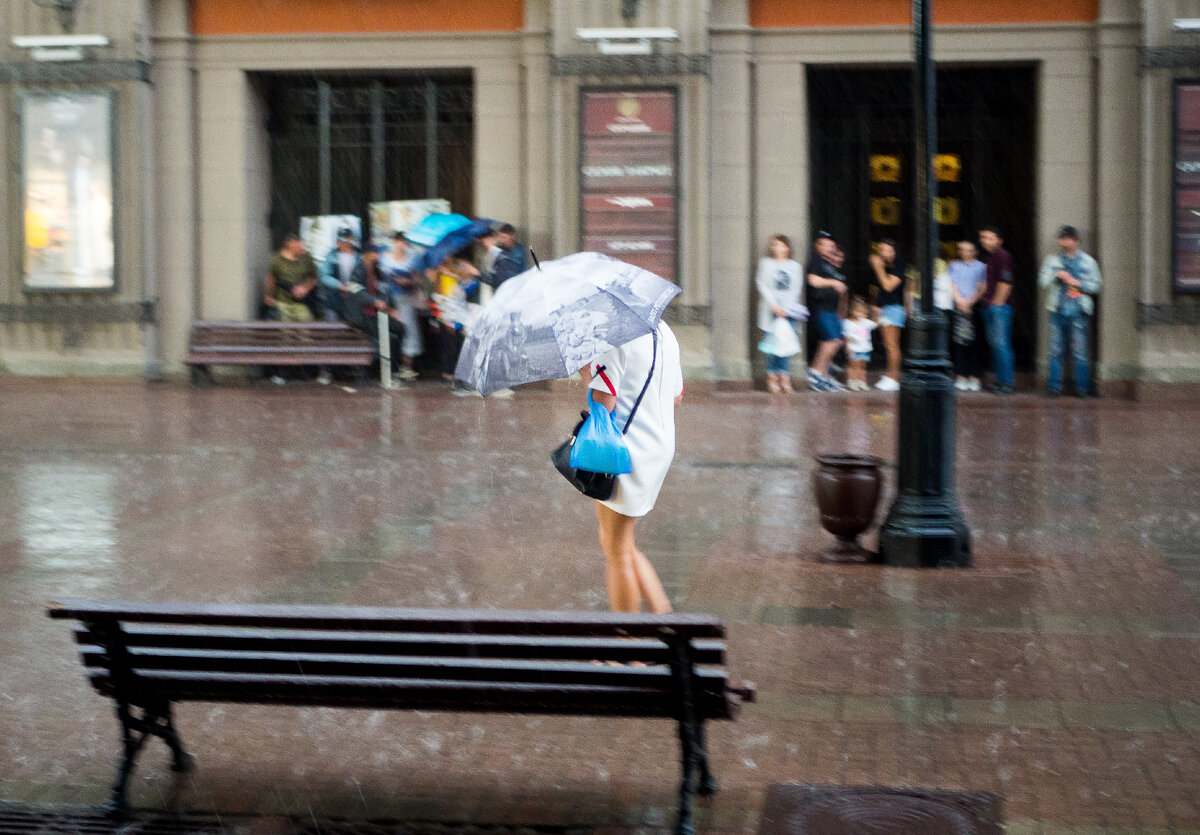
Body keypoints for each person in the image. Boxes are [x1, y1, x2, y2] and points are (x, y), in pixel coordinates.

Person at [585, 320, 684, 613]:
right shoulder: (665, 331)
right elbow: (676, 397)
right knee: (617, 541)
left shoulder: (612, 334)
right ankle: (663, 619)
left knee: (617, 552)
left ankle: (628, 650)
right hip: (657, 444)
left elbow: (604, 403)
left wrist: (589, 377)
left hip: (625, 452)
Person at [1038, 225, 1102, 398]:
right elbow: (1042, 282)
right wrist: (1056, 276)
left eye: (1068, 239)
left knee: (1080, 353)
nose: (1064, 243)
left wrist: (1078, 283)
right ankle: (1054, 387)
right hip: (1057, 312)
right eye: (1061, 239)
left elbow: (1097, 285)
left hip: (1078, 313)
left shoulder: (1088, 262)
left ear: (1076, 241)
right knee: (1055, 351)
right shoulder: (1052, 261)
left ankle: (1082, 389)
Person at [755, 234, 803, 394]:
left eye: (781, 245)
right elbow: (762, 283)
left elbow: (796, 288)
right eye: (775, 244)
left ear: (788, 248)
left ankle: (785, 378)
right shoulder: (766, 264)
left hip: (787, 311)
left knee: (786, 346)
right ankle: (772, 377)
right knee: (771, 346)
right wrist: (774, 305)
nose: (777, 248)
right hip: (770, 310)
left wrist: (786, 308)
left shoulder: (795, 267)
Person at [805, 231, 848, 391]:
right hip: (821, 308)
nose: (828, 248)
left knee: (832, 341)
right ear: (818, 246)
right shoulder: (817, 262)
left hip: (831, 310)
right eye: (824, 244)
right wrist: (833, 283)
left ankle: (823, 376)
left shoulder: (830, 266)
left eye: (831, 245)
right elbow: (812, 280)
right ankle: (815, 371)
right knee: (832, 341)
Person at [379, 232, 423, 381]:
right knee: (391, 330)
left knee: (408, 328)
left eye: (404, 242)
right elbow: (381, 277)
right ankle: (392, 366)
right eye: (398, 242)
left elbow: (418, 277)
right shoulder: (385, 257)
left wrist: (409, 281)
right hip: (389, 298)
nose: (401, 245)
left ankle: (407, 367)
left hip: (406, 297)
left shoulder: (413, 257)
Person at [979, 226, 1016, 394]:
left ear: (999, 240)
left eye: (989, 237)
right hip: (989, 307)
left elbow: (1006, 282)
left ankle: (1007, 383)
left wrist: (996, 304)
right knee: (995, 345)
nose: (985, 241)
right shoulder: (988, 258)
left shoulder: (1003, 255)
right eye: (983, 237)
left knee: (1001, 345)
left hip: (999, 308)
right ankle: (1000, 381)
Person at [947, 240, 987, 391]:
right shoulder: (954, 266)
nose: (965, 253)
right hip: (959, 307)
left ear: (974, 251)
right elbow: (952, 285)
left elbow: (982, 288)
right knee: (959, 342)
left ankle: (974, 376)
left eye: (969, 250)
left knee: (974, 343)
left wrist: (969, 303)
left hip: (973, 307)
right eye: (962, 249)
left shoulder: (981, 267)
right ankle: (961, 375)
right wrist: (960, 301)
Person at [868, 239, 907, 391]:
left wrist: (878, 268)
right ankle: (889, 374)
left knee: (892, 345)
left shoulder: (899, 267)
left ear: (894, 252)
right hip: (884, 308)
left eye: (887, 250)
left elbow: (888, 286)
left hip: (894, 308)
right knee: (887, 344)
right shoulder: (884, 267)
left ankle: (894, 377)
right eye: (881, 249)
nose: (883, 253)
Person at [263, 233, 319, 324]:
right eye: (297, 244)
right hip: (282, 302)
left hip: (301, 303)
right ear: (288, 244)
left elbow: (313, 278)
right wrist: (269, 295)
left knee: (307, 326)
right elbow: (271, 279)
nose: (300, 247)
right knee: (285, 329)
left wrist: (305, 288)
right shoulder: (276, 259)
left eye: (300, 244)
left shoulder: (306, 258)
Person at [319, 227, 367, 323]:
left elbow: (365, 276)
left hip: (356, 298)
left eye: (347, 239)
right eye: (341, 239)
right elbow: (324, 276)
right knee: (333, 325)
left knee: (355, 325)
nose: (344, 242)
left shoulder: (359, 256)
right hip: (334, 297)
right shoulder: (330, 256)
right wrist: (339, 285)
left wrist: (354, 288)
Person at [843, 297, 877, 391]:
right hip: (853, 348)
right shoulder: (848, 323)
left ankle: (861, 381)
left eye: (863, 312)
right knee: (853, 366)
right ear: (853, 311)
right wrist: (847, 347)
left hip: (865, 348)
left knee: (862, 366)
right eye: (858, 311)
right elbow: (846, 336)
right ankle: (852, 381)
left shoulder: (866, 322)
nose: (861, 314)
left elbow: (875, 324)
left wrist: (874, 312)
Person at [488, 223, 529, 289]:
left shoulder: (519, 251)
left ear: (512, 237)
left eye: (504, 237)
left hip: (514, 287)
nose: (501, 240)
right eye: (500, 237)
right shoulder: (498, 249)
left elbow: (515, 270)